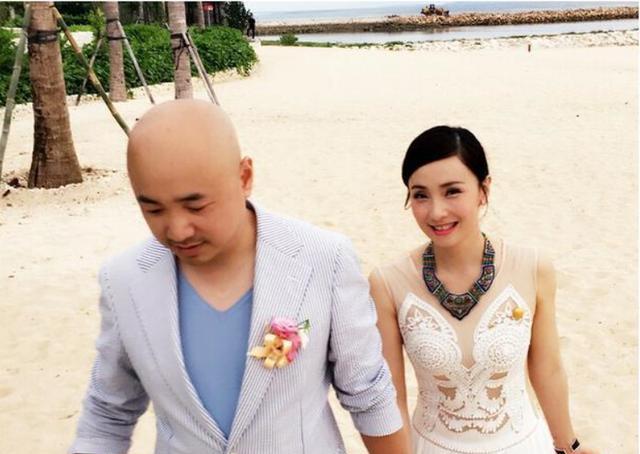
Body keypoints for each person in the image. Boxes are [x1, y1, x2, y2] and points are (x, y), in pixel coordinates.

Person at [69, 100, 410, 454]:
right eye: (153, 209)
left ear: (244, 177)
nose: (178, 229)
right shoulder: (123, 280)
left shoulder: (323, 258)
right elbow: (108, 412)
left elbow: (368, 393)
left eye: (196, 206)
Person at [369, 126, 598, 454]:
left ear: (483, 190)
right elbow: (392, 398)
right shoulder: (388, 282)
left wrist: (568, 445)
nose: (436, 212)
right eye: (420, 195)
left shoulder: (532, 267)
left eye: (452, 191)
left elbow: (547, 368)